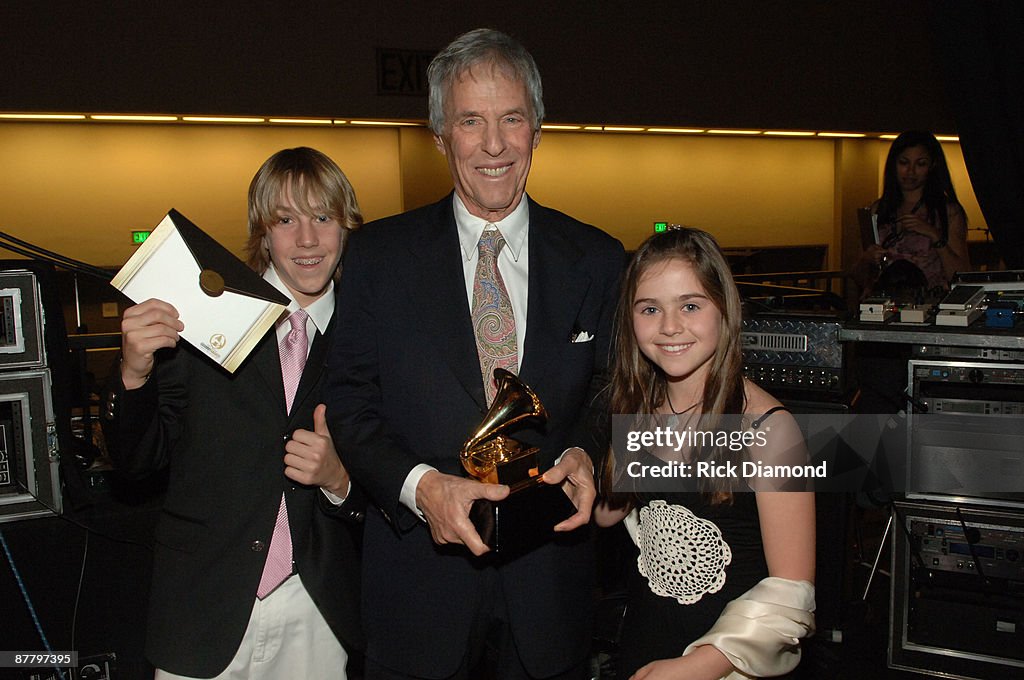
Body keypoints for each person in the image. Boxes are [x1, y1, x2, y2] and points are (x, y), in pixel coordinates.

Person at [325, 28, 625, 680]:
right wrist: (420, 488)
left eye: (511, 119)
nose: (494, 144)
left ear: (537, 130)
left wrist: (586, 450)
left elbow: (613, 388)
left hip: (551, 588)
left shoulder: (599, 260)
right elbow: (349, 402)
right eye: (471, 122)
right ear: (440, 137)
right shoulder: (376, 257)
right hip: (416, 591)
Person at [103, 147, 364, 679]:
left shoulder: (371, 335)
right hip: (202, 607)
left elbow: (395, 488)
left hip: (319, 608)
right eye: (285, 220)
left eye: (323, 218)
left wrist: (340, 481)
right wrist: (133, 375)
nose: (307, 240)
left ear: (345, 228)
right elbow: (136, 463)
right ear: (262, 233)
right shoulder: (207, 319)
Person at [594, 228, 816, 680]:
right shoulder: (641, 409)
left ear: (724, 311)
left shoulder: (770, 431)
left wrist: (697, 667)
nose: (670, 326)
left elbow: (792, 595)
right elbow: (610, 515)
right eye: (650, 309)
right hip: (646, 643)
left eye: (690, 306)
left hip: (726, 662)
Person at [853, 130, 970, 296]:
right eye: (904, 163)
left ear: (932, 166)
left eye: (920, 164)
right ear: (894, 164)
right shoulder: (878, 209)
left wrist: (934, 236)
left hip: (930, 304)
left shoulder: (948, 212)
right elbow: (859, 277)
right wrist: (867, 259)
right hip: (883, 305)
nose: (911, 171)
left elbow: (962, 274)